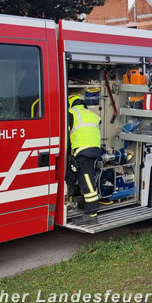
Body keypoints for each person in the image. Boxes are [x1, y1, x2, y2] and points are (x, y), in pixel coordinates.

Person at [67, 94, 102, 224]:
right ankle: (88, 209)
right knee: (85, 179)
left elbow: (67, 134)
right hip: (94, 150)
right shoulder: (91, 114)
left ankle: (91, 215)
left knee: (87, 182)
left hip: (82, 151)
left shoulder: (71, 113)